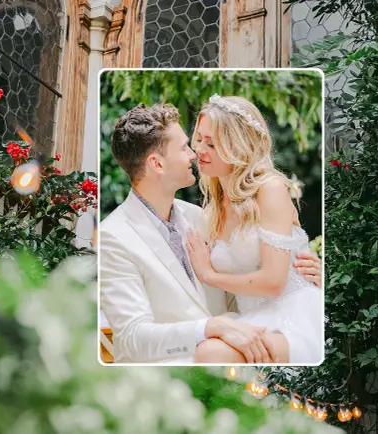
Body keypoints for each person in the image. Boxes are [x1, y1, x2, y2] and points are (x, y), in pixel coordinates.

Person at [99, 102, 322, 364]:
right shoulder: (113, 236)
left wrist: (306, 276)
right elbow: (131, 338)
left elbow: (250, 285)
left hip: (266, 332)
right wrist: (209, 328)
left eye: (209, 143)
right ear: (157, 163)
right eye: (187, 146)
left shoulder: (199, 217)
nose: (195, 152)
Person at [184, 95, 324, 364]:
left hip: (292, 316)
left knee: (208, 353)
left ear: (238, 148)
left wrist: (209, 274)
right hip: (250, 318)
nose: (200, 149)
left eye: (212, 144)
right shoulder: (212, 208)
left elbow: (273, 282)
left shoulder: (269, 189)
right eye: (199, 138)